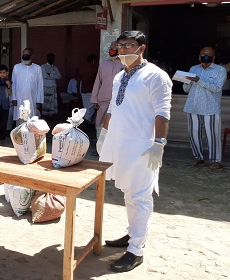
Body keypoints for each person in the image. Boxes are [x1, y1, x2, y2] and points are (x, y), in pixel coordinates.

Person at [96, 31, 172, 272]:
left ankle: (136, 250)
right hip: (120, 144)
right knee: (128, 192)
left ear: (142, 48)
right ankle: (132, 236)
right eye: (120, 46)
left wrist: (159, 143)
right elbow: (113, 108)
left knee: (140, 196)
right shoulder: (119, 76)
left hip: (142, 146)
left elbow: (163, 112)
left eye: (129, 45)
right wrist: (104, 134)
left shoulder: (156, 76)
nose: (123, 50)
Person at [183, 46, 227, 170]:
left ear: (214, 57)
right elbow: (187, 89)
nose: (205, 56)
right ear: (199, 56)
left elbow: (217, 88)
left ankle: (215, 160)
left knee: (213, 135)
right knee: (194, 134)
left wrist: (199, 80)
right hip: (192, 106)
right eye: (203, 54)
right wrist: (185, 81)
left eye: (208, 54)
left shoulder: (220, 70)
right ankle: (198, 157)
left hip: (210, 108)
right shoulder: (193, 68)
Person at [91, 42, 124, 141]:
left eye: (113, 48)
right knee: (100, 124)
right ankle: (99, 147)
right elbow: (98, 82)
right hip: (103, 100)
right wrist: (95, 99)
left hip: (119, 102)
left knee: (116, 125)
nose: (111, 50)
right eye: (110, 48)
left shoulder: (126, 65)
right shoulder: (104, 64)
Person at [11, 47, 43, 126]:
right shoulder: (17, 67)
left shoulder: (37, 68)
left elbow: (40, 85)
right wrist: (13, 98)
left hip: (32, 98)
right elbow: (13, 83)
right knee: (19, 119)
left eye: (26, 54)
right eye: (23, 54)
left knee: (31, 119)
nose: (24, 56)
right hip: (19, 98)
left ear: (32, 56)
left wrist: (39, 100)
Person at [76, 54, 99, 124]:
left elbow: (78, 81)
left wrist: (78, 91)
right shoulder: (95, 69)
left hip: (83, 90)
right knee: (91, 109)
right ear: (93, 61)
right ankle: (86, 120)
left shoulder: (81, 68)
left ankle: (87, 120)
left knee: (86, 107)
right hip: (92, 90)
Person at [41, 53, 61, 118]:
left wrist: (50, 75)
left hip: (53, 86)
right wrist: (53, 76)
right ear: (47, 58)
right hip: (46, 87)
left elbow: (59, 76)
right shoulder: (43, 66)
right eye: (49, 58)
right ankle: (45, 115)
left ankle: (52, 114)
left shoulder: (55, 67)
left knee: (53, 102)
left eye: (52, 58)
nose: (51, 59)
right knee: (46, 101)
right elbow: (45, 76)